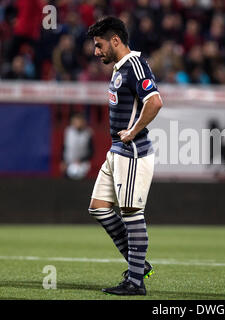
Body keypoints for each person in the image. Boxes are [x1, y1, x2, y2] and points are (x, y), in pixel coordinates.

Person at [86, 16, 163, 296]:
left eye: (99, 45)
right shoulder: (120, 68)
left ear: (115, 40)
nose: (97, 51)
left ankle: (135, 282)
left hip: (131, 151)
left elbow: (155, 101)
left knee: (131, 213)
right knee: (98, 207)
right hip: (116, 151)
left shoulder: (135, 66)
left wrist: (132, 131)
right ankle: (138, 266)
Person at [61, 113, 94, 180]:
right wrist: (63, 161)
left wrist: (81, 160)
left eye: (79, 121)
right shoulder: (68, 131)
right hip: (68, 163)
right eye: (75, 121)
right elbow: (64, 147)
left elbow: (91, 151)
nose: (77, 123)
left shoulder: (88, 133)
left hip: (82, 164)